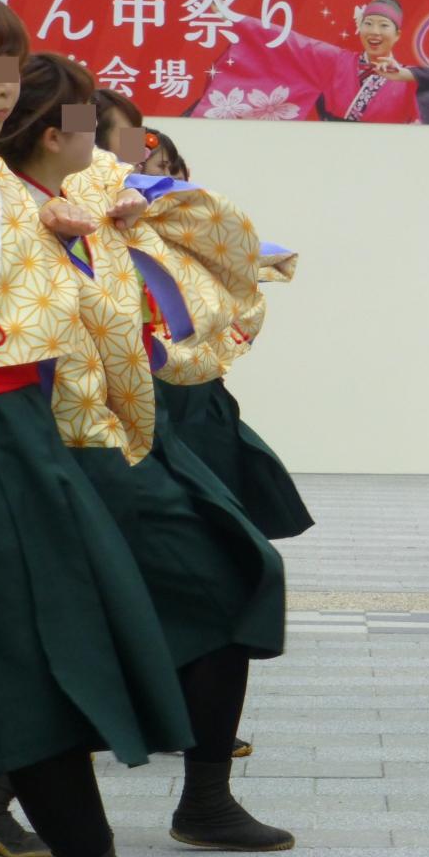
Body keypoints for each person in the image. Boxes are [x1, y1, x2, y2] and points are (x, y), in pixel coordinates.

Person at [0, 51, 294, 851]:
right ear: (55, 133)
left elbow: (180, 209)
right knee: (213, 578)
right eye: (91, 124)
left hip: (118, 430)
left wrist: (137, 203)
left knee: (225, 572)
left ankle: (199, 794)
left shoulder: (81, 193)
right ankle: (192, 795)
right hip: (51, 437)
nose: (113, 148)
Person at [0, 0, 193, 857]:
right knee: (13, 658)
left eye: (11, 66)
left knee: (23, 656)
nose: (3, 85)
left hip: (17, 427)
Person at [91, 95, 315, 545]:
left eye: (168, 166)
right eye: (152, 162)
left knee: (209, 480)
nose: (160, 173)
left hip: (180, 377)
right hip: (111, 381)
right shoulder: (75, 208)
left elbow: (231, 259)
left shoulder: (166, 211)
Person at [188, 0, 429, 125]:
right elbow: (289, 42)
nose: (374, 32)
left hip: (384, 159)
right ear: (360, 28)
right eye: (368, 24)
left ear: (397, 35)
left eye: (384, 26)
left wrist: (407, 75)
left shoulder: (408, 78)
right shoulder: (337, 61)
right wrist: (234, 18)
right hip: (330, 149)